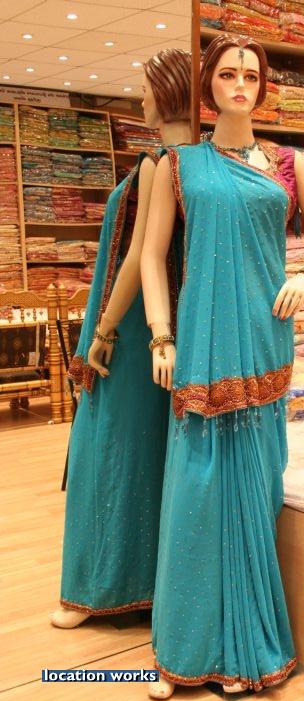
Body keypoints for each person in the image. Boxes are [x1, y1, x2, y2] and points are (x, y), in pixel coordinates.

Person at [141, 33, 304, 698]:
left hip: (264, 339)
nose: (239, 85)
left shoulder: (288, 163)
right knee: (196, 492)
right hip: (201, 343)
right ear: (209, 85)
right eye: (228, 74)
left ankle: (249, 649)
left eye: (251, 76)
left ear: (263, 86)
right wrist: (160, 335)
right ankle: (184, 649)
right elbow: (152, 256)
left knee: (256, 491)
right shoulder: (179, 165)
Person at [50, 48, 191, 630]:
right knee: (140, 451)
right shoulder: (188, 160)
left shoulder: (160, 162)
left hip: (130, 331)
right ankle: (137, 584)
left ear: (168, 90)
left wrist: (104, 329)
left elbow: (137, 256)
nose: (142, 98)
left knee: (107, 449)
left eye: (147, 87)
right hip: (153, 322)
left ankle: (97, 589)